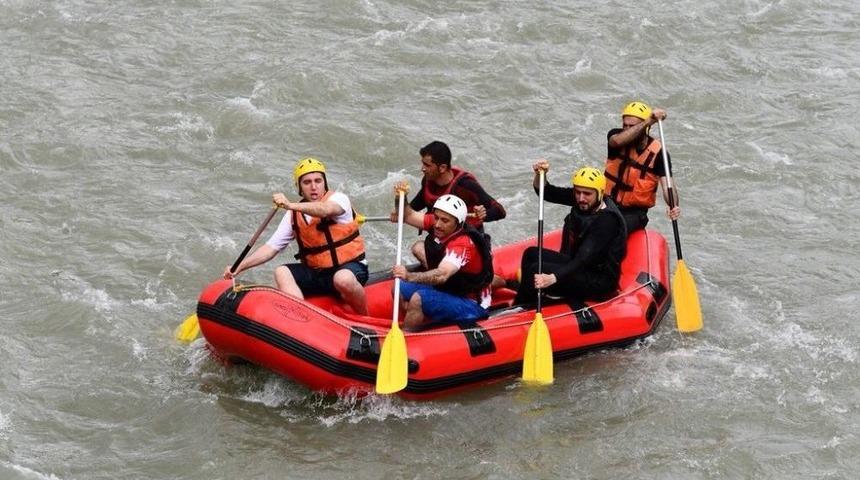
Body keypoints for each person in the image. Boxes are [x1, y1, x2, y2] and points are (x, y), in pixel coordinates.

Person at [224, 157, 369, 315]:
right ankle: (301, 319)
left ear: (324, 183)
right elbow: (271, 248)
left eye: (318, 181)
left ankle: (365, 317)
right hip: (318, 273)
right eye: (307, 182)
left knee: (343, 279)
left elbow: (325, 210)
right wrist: (239, 267)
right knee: (281, 271)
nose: (314, 187)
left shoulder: (339, 199)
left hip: (351, 268)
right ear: (299, 187)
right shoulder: (292, 215)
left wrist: (290, 205)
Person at [513, 161, 627, 306]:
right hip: (581, 268)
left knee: (537, 268)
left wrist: (553, 278)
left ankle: (523, 307)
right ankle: (526, 297)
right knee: (531, 254)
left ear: (600, 193)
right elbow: (547, 192)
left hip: (599, 281)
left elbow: (583, 258)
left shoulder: (607, 220)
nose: (581, 198)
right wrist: (540, 175)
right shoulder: (583, 200)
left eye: (587, 194)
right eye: (578, 192)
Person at [391, 190, 495, 331]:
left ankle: (407, 337)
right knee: (397, 288)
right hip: (449, 289)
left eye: (444, 221)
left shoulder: (462, 245)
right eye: (436, 217)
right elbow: (408, 215)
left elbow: (441, 275)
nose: (438, 224)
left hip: (472, 303)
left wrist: (409, 276)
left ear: (457, 223)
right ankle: (416, 320)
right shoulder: (438, 223)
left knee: (417, 299)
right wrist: (400, 197)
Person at [397, 140, 506, 268]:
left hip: (468, 244)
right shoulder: (428, 181)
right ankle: (440, 276)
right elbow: (415, 207)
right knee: (417, 248)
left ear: (442, 167)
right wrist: (400, 202)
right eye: (422, 163)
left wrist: (484, 214)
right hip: (443, 241)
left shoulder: (465, 185)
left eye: (427, 165)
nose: (423, 169)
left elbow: (500, 210)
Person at [605, 101, 681, 234]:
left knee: (613, 228)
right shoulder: (616, 137)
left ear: (645, 129)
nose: (627, 129)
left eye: (632, 126)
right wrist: (648, 121)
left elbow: (667, 187)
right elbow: (617, 141)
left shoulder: (659, 154)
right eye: (625, 125)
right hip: (607, 203)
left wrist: (673, 205)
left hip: (634, 213)